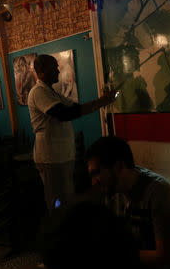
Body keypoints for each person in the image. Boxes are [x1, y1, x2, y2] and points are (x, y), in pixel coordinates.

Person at [28, 54, 117, 215]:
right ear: (40, 71)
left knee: (66, 199)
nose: (57, 70)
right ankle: (58, 232)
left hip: (62, 156)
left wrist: (103, 101)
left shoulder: (52, 93)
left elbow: (77, 109)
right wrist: (101, 102)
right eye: (53, 67)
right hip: (50, 157)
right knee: (56, 202)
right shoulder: (38, 92)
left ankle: (67, 229)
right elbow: (64, 113)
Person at [84, 136, 170, 269]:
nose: (94, 182)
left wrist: (116, 256)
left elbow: (168, 257)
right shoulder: (111, 192)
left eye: (97, 173)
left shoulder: (158, 193)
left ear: (118, 166)